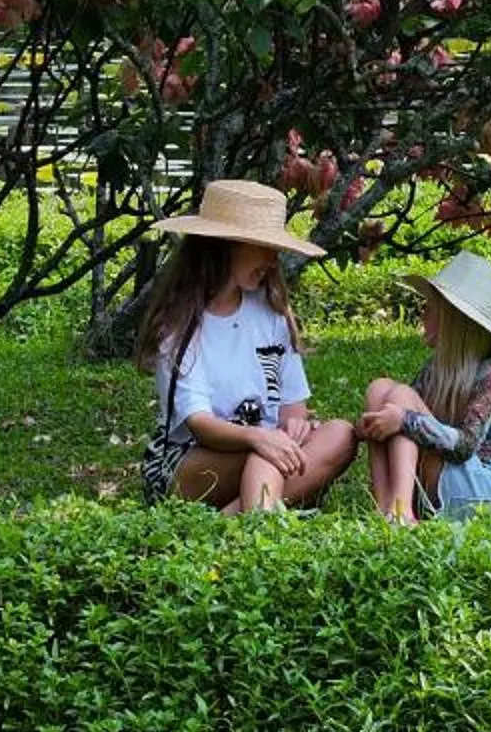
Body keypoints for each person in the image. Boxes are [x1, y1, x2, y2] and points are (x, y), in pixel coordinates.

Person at [137, 180, 359, 512]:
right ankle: (261, 515)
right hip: (191, 460)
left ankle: (238, 514)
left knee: (341, 434)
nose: (273, 261)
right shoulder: (180, 325)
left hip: (267, 449)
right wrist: (260, 438)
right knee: (264, 454)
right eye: (263, 247)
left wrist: (293, 426)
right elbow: (200, 424)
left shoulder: (271, 316)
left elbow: (292, 408)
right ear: (227, 246)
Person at [361, 250, 491, 525]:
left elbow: (465, 446)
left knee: (400, 399)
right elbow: (401, 430)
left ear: (454, 319)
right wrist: (375, 424)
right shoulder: (436, 369)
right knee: (381, 389)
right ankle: (386, 507)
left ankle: (400, 511)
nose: (422, 317)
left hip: (476, 491)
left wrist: (404, 420)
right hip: (440, 479)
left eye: (429, 309)